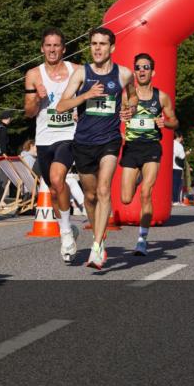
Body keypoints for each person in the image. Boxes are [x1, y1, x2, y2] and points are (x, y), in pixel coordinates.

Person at [56, 27, 133, 270]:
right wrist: (86, 95)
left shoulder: (124, 74)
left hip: (109, 140)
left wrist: (129, 109)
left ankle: (98, 247)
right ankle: (98, 234)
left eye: (102, 44)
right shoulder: (81, 73)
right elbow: (61, 106)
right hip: (84, 142)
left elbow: (132, 97)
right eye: (94, 44)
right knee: (89, 196)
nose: (98, 48)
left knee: (103, 190)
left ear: (112, 48)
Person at [24, 27, 81, 262]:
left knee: (58, 179)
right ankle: (67, 228)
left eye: (56, 45)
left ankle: (66, 233)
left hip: (69, 135)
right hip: (44, 138)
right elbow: (28, 113)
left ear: (63, 49)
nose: (52, 49)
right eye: (48, 45)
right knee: (56, 192)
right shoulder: (33, 75)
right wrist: (37, 97)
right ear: (42, 48)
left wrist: (80, 110)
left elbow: (90, 95)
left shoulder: (76, 70)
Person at [119, 53, 178, 256]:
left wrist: (166, 123)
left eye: (145, 67)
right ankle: (138, 177)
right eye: (138, 67)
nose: (141, 70)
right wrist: (123, 115)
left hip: (152, 147)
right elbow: (119, 115)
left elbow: (174, 121)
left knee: (146, 193)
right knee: (126, 198)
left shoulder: (161, 97)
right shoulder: (127, 95)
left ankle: (142, 239)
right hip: (132, 148)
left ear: (153, 72)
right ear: (134, 72)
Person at [172, 133, 186, 205]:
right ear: (179, 137)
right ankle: (175, 200)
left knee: (170, 184)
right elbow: (182, 156)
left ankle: (170, 200)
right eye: (182, 137)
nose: (182, 139)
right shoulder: (179, 145)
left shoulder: (170, 143)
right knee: (176, 184)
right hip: (177, 167)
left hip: (169, 166)